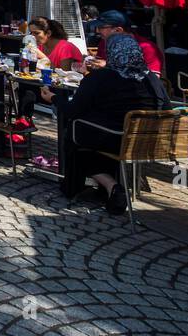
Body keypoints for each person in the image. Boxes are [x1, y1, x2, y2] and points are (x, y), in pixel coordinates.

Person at [47, 34, 170, 213]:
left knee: (74, 134)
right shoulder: (152, 79)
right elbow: (166, 108)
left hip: (114, 138)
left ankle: (111, 185)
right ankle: (109, 187)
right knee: (90, 132)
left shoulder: (101, 77)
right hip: (147, 140)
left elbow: (74, 109)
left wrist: (54, 98)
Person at [11, 16, 83, 128]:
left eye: (36, 33)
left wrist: (43, 57)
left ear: (48, 33)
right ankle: (23, 121)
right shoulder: (40, 46)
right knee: (24, 84)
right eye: (31, 33)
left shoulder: (65, 47)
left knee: (27, 88)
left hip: (64, 90)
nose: (33, 36)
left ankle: (24, 121)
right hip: (46, 85)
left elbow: (65, 74)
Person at [91, 10, 162, 73]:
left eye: (101, 27)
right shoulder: (104, 42)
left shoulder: (147, 48)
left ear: (118, 30)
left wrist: (108, 66)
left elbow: (153, 80)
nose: (97, 31)